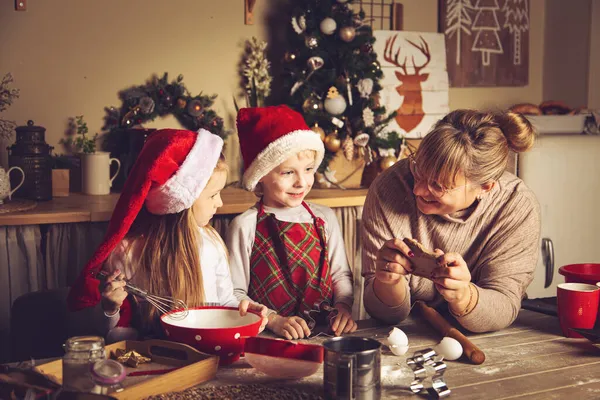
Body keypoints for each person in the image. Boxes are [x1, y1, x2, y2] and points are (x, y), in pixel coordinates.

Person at [67, 128, 267, 340]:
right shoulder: (127, 253)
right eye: (213, 195)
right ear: (181, 202)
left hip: (206, 355)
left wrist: (245, 312)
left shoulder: (212, 243)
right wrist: (110, 308)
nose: (220, 203)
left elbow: (224, 302)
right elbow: (110, 331)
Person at [362, 109, 541, 333]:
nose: (417, 190)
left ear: (485, 187)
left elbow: (504, 306)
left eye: (438, 185)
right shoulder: (389, 188)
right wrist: (388, 282)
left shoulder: (515, 205)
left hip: (488, 338)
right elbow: (382, 314)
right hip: (405, 333)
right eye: (418, 169)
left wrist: (464, 296)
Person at [226, 105, 357, 340]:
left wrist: (344, 308)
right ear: (261, 176)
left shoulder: (325, 218)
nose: (302, 182)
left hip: (326, 336)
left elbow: (341, 276)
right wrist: (274, 320)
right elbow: (235, 294)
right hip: (269, 339)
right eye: (288, 173)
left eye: (308, 170)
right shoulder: (245, 225)